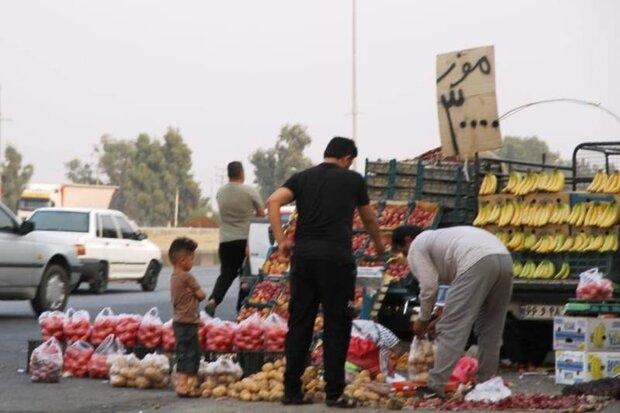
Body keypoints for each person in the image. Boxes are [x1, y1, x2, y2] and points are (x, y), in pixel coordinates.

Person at [267, 137, 385, 408]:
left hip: (304, 260)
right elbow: (368, 217)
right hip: (336, 261)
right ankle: (334, 393)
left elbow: (273, 202)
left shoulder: (302, 177)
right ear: (347, 158)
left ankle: (291, 391)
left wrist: (282, 239)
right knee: (336, 325)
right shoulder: (353, 179)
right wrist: (379, 246)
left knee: (300, 324)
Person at [391, 225, 513, 398]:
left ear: (407, 241)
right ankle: (485, 383)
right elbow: (457, 295)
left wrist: (423, 319)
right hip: (504, 258)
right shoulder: (439, 239)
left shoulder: (417, 246)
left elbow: (429, 287)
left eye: (403, 253)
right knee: (491, 328)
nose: (406, 258)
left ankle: (434, 386)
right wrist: (439, 316)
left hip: (475, 261)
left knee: (452, 328)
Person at [206, 161, 264, 316]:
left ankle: (213, 300)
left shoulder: (220, 192)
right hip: (246, 241)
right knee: (246, 279)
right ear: (242, 173)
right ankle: (242, 310)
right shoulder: (250, 191)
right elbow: (261, 215)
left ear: (229, 174)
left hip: (225, 241)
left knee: (226, 274)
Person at [169, 237, 206, 397]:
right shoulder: (187, 277)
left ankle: (188, 385)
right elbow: (201, 295)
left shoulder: (173, 276)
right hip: (188, 322)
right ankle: (183, 385)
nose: (192, 262)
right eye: (191, 259)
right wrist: (197, 294)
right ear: (182, 260)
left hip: (178, 322)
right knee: (190, 353)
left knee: (183, 352)